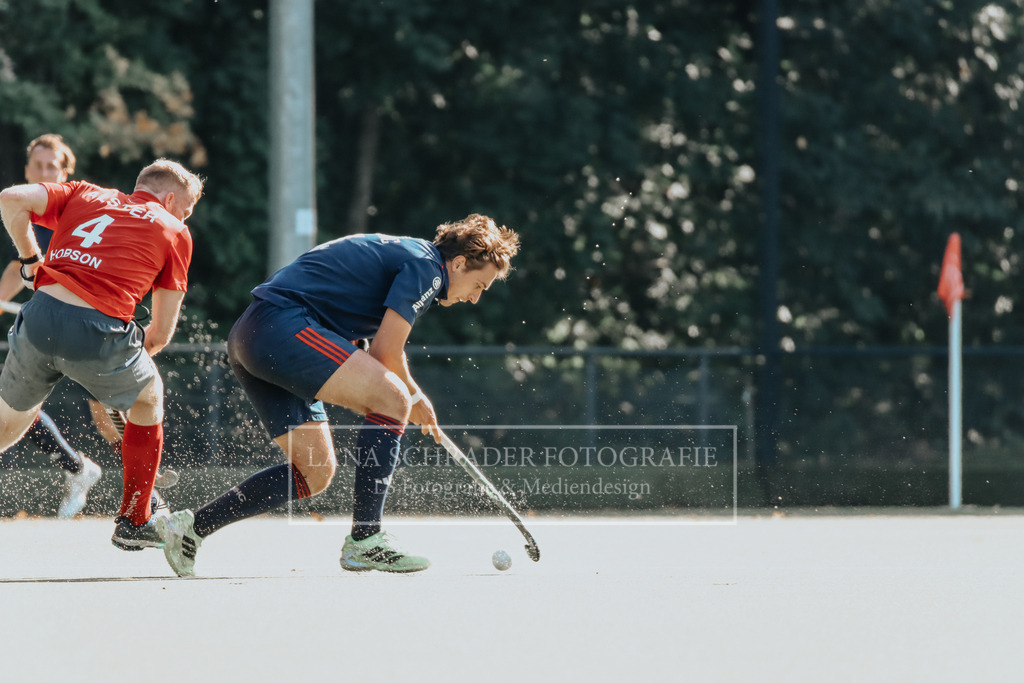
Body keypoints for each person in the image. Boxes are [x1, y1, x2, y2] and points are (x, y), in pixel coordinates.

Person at [158, 214, 520, 577]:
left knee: (314, 471)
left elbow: (364, 336)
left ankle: (190, 529)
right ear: (458, 263)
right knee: (393, 400)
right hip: (281, 328)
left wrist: (404, 397)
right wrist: (412, 397)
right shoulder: (428, 268)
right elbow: (386, 353)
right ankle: (366, 539)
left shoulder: (410, 256)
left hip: (252, 335)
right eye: (479, 285)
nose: (475, 298)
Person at [0, 158, 203, 551]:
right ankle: (134, 519)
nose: (185, 218)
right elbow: (159, 334)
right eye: (187, 209)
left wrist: (31, 260)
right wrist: (124, 375)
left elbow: (10, 198)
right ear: (170, 199)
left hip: (38, 318)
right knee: (149, 397)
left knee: (6, 427)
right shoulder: (175, 229)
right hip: (99, 331)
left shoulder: (85, 192)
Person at [0, 134, 101, 518]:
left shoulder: (79, 211)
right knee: (16, 405)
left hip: (90, 327)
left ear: (65, 173)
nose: (44, 173)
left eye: (51, 167)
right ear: (27, 170)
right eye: (38, 166)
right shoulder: (27, 215)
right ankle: (80, 469)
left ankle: (142, 494)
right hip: (47, 328)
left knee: (109, 420)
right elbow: (18, 267)